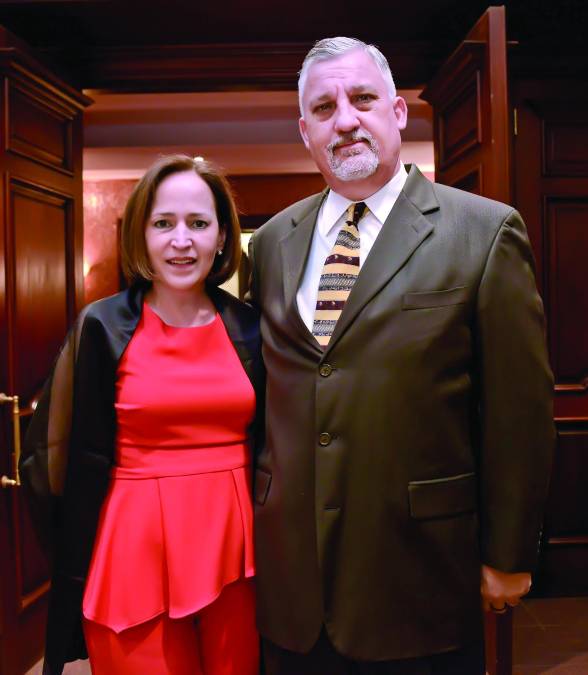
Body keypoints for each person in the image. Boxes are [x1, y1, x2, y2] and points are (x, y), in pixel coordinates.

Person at [248, 37, 554, 674]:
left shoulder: (484, 231)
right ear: (305, 131)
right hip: (293, 582)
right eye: (324, 108)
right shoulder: (273, 242)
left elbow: (518, 414)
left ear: (396, 113)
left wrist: (509, 554)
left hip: (422, 577)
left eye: (362, 99)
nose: (345, 120)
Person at [20, 155, 263, 675]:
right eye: (164, 223)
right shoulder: (102, 327)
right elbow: (50, 458)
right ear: (142, 235)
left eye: (199, 223)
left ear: (222, 236)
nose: (182, 240)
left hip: (239, 556)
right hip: (133, 553)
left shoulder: (250, 327)